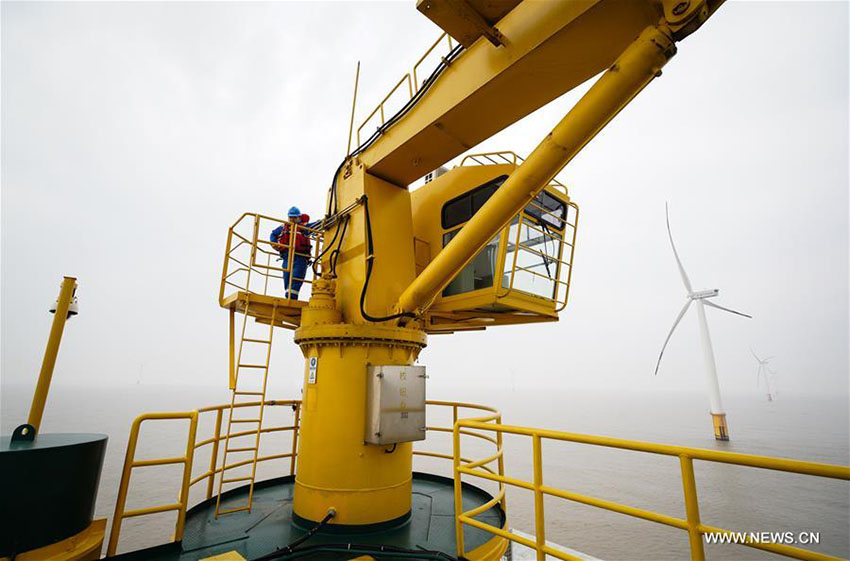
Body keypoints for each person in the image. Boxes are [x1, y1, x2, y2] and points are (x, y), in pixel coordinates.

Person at [270, 206, 312, 299]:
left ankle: (292, 298)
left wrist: (323, 221)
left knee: (296, 278)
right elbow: (273, 234)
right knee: (287, 277)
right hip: (287, 256)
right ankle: (288, 297)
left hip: (300, 257)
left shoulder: (303, 227)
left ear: (299, 218)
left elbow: (314, 225)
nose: (292, 219)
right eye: (291, 217)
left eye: (294, 217)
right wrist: (274, 243)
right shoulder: (283, 227)